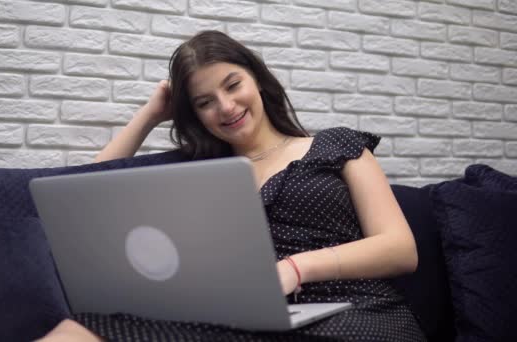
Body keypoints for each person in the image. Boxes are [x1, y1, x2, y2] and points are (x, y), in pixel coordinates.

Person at [41, 30, 426, 341]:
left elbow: (400, 249)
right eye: (205, 101)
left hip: (354, 310)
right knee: (76, 330)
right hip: (242, 321)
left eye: (232, 85)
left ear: (256, 78)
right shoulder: (199, 171)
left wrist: (295, 268)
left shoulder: (336, 145)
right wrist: (151, 114)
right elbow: (84, 189)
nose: (225, 107)